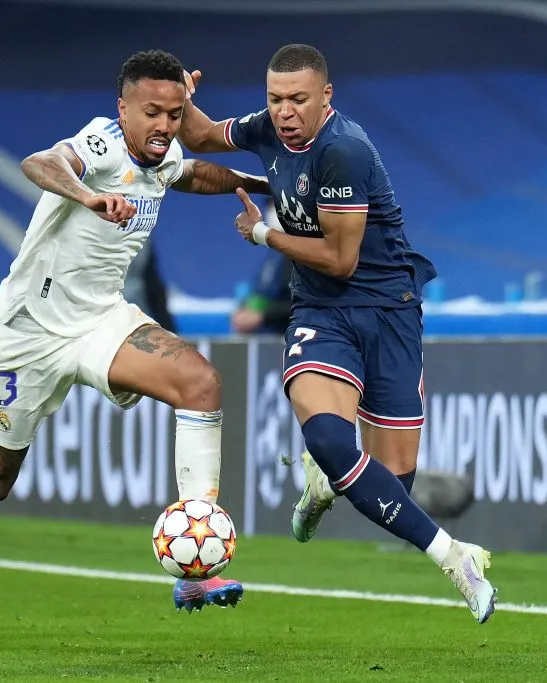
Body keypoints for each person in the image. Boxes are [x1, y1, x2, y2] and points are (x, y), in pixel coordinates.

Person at [0, 49, 270, 614]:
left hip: (99, 321)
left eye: (173, 114)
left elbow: (191, 174)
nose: (164, 126)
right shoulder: (100, 143)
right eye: (151, 113)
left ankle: (196, 569)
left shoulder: (159, 156)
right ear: (123, 109)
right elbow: (38, 163)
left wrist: (265, 183)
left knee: (201, 383)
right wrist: (90, 196)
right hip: (25, 330)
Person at [177, 44, 497, 623]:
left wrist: (263, 236)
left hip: (387, 309)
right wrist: (182, 98)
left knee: (392, 483)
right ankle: (456, 558)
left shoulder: (343, 150)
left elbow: (341, 258)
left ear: (327, 96)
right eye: (275, 99)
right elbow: (199, 137)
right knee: (329, 438)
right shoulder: (268, 128)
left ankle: (322, 484)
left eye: (298, 99)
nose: (284, 111)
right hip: (321, 315)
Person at [231, 205, 292, 335]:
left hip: (288, 337)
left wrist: (262, 316)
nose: (271, 212)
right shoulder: (273, 255)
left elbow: (301, 303)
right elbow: (260, 294)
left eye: (275, 205)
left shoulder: (299, 254)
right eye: (269, 206)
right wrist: (244, 311)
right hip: (264, 338)